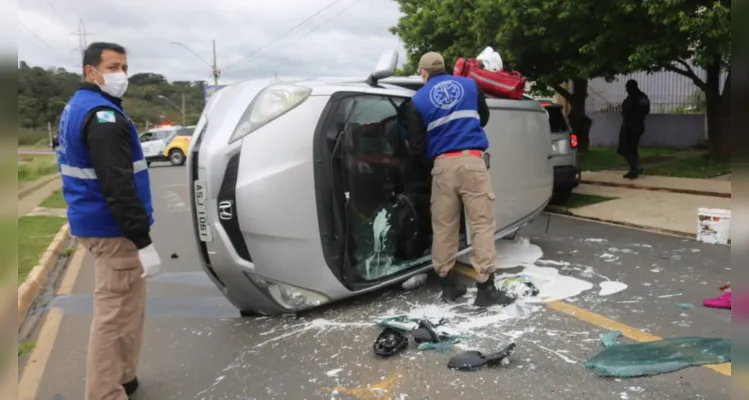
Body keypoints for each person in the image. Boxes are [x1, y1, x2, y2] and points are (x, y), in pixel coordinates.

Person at [57, 42, 161, 400]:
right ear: (91, 71)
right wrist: (142, 241)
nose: (121, 75)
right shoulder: (104, 118)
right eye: (113, 67)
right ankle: (105, 392)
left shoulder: (77, 107)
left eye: (124, 67)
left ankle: (124, 376)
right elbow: (119, 187)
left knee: (127, 308)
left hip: (94, 224)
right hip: (113, 231)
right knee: (115, 315)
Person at [405, 51, 512, 307]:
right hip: (472, 161)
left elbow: (416, 145)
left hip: (442, 165)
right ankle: (486, 290)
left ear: (423, 73)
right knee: (481, 224)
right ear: (443, 67)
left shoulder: (417, 101)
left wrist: (436, 164)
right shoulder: (471, 85)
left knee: (443, 226)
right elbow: (483, 118)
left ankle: (448, 285)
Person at [618, 79, 650, 179]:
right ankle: (633, 168)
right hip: (633, 126)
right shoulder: (640, 97)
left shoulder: (638, 98)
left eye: (628, 87)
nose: (627, 90)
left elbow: (642, 110)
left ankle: (635, 168)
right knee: (630, 149)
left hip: (632, 126)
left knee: (626, 149)